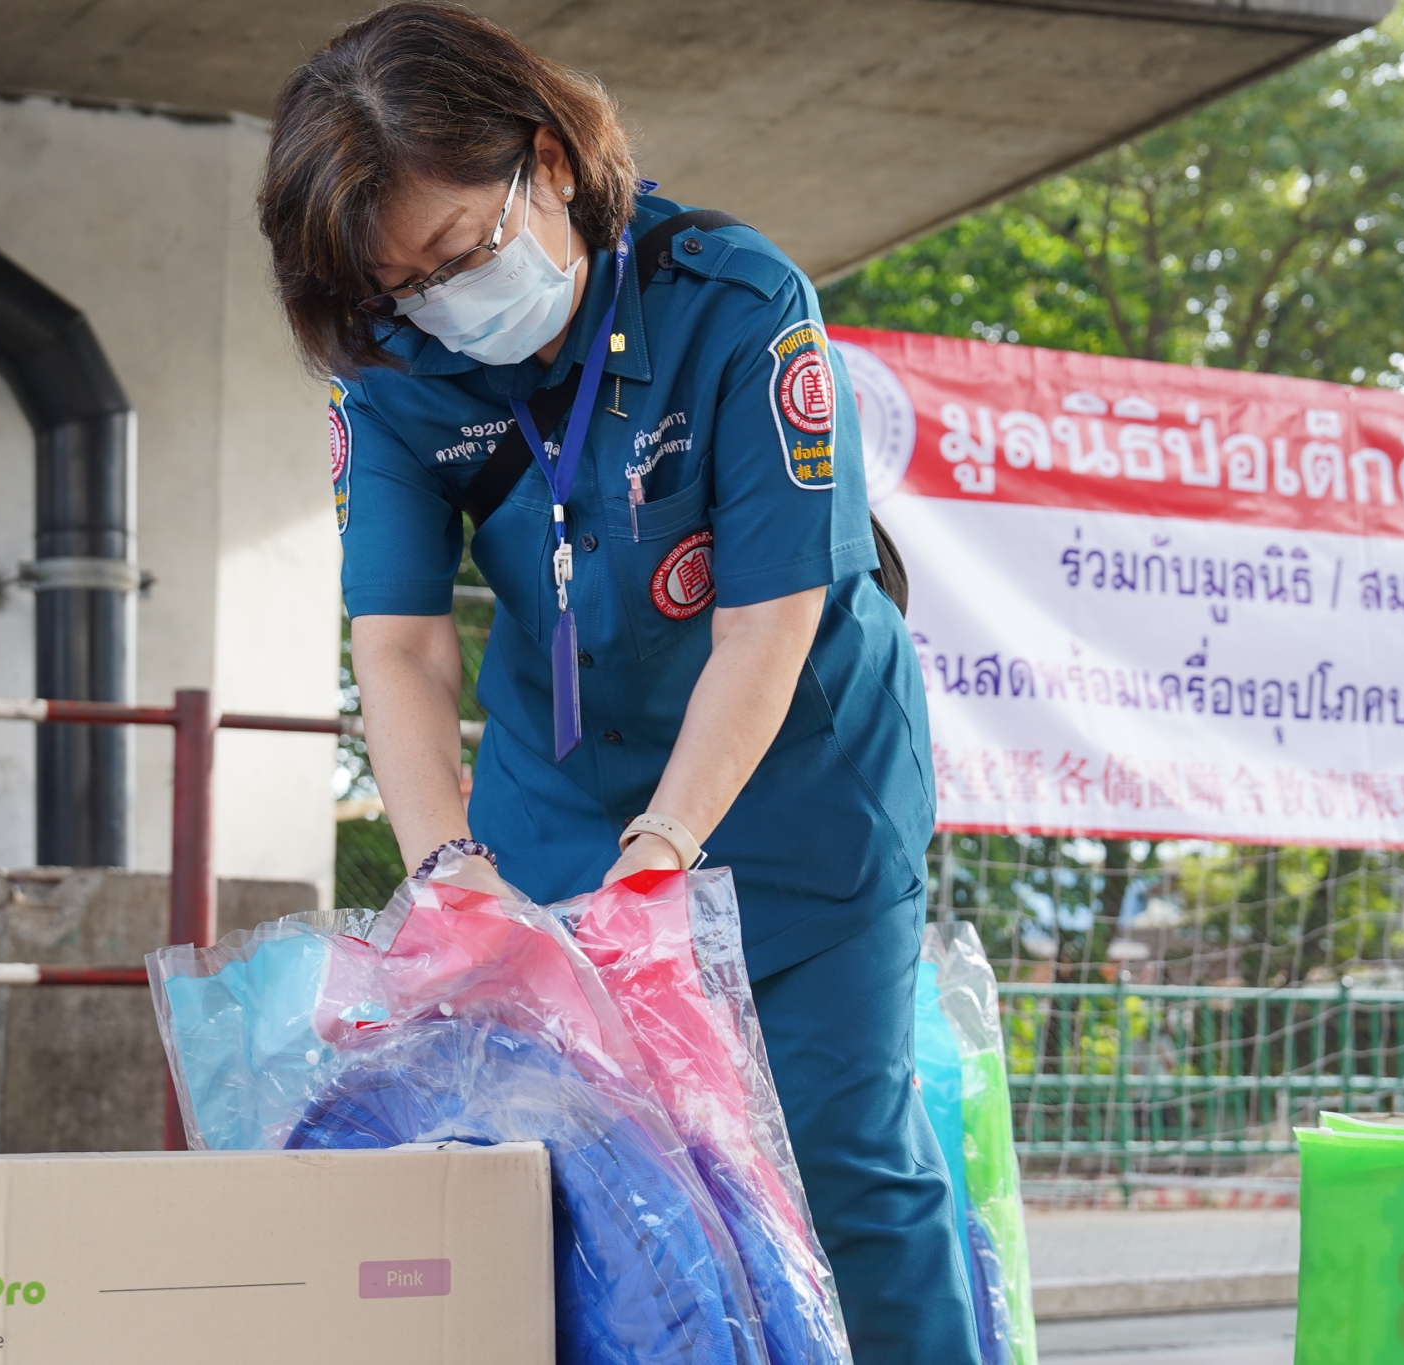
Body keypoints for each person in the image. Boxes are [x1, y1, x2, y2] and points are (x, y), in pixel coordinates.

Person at [256, 6, 978, 1362]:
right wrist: (449, 868)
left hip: (797, 794)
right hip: (558, 806)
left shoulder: (734, 303)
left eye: (460, 254)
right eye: (404, 287)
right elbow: (402, 643)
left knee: (839, 1161)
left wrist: (668, 852)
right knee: (577, 1186)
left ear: (544, 162)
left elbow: (768, 619)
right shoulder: (396, 372)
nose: (443, 304)